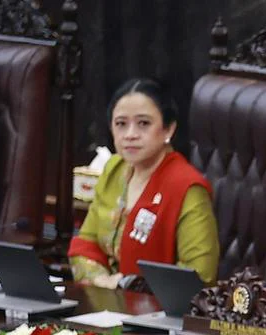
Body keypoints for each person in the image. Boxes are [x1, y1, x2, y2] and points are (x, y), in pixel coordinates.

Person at [68, 78, 220, 289]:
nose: (130, 135)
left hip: (157, 313)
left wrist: (129, 287)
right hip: (103, 302)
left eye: (143, 124)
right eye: (121, 124)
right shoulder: (115, 169)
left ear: (168, 130)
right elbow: (86, 244)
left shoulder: (187, 187)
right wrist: (101, 281)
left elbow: (199, 275)